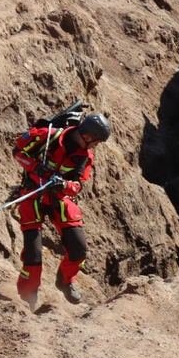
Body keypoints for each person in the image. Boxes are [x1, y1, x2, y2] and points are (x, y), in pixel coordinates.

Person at [12, 111, 112, 308]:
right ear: (88, 136)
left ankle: (65, 280)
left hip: (59, 197)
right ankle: (27, 299)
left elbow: (78, 185)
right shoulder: (48, 136)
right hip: (33, 194)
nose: (96, 146)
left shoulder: (85, 157)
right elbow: (18, 151)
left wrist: (63, 185)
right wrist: (34, 167)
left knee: (79, 248)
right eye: (96, 142)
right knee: (33, 255)